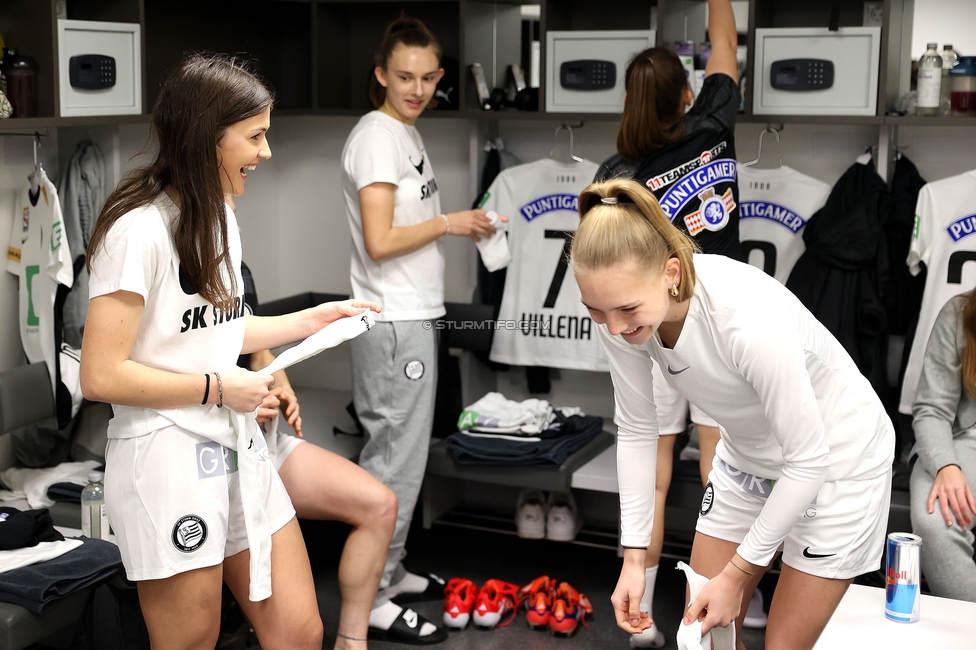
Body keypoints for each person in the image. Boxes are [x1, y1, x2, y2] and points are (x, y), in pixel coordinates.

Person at [80, 54, 379, 649]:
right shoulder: (136, 230)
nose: (267, 152)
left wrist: (310, 321)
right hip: (166, 459)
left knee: (298, 631)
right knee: (193, 639)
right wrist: (219, 389)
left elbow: (216, 331)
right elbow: (100, 374)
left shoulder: (218, 215)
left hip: (235, 447)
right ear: (206, 139)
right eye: (255, 136)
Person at [571, 178, 895, 650]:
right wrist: (634, 558)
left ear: (672, 272)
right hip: (748, 460)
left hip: (838, 466)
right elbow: (641, 428)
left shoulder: (745, 319)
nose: (615, 328)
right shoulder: (617, 308)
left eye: (626, 310)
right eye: (597, 312)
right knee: (703, 641)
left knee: (783, 646)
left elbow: (808, 461)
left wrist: (738, 575)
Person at [340, 15, 500, 644]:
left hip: (413, 317)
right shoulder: (378, 138)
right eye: (403, 76)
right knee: (392, 462)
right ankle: (373, 597)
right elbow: (380, 241)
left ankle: (393, 567)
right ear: (381, 74)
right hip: (393, 324)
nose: (416, 87)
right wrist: (453, 223)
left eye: (428, 77)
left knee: (404, 457)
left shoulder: (404, 132)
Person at [594, 1, 741, 644]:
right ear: (687, 93)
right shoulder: (713, 123)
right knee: (721, 480)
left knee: (651, 476)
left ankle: (643, 620)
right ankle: (711, 615)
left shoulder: (614, 178)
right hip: (716, 331)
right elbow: (726, 45)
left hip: (646, 336)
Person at [237, 255, 400, 649]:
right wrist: (229, 402)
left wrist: (280, 385)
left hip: (263, 442)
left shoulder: (238, 268)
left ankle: (351, 641)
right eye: (228, 200)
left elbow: (258, 351)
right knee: (297, 634)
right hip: (213, 452)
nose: (235, 214)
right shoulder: (166, 264)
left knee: (379, 505)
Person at [910, 293, 976, 602]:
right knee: (935, 518)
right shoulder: (960, 313)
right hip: (962, 440)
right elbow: (932, 410)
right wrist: (946, 467)